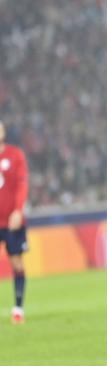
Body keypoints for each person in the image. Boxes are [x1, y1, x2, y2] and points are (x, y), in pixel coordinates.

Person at [0, 120, 29, 324]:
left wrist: (18, 211)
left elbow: (22, 184)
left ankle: (18, 307)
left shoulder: (15, 154)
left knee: (16, 262)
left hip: (11, 221)